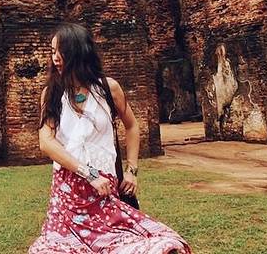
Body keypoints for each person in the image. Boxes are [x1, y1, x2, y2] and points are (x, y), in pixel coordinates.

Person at [28, 23, 192, 253]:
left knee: (151, 244)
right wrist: (88, 173)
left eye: (61, 51)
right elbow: (46, 142)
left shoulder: (108, 88)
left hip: (104, 191)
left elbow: (132, 126)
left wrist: (132, 170)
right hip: (68, 193)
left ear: (78, 52)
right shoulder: (52, 93)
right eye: (52, 51)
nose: (55, 58)